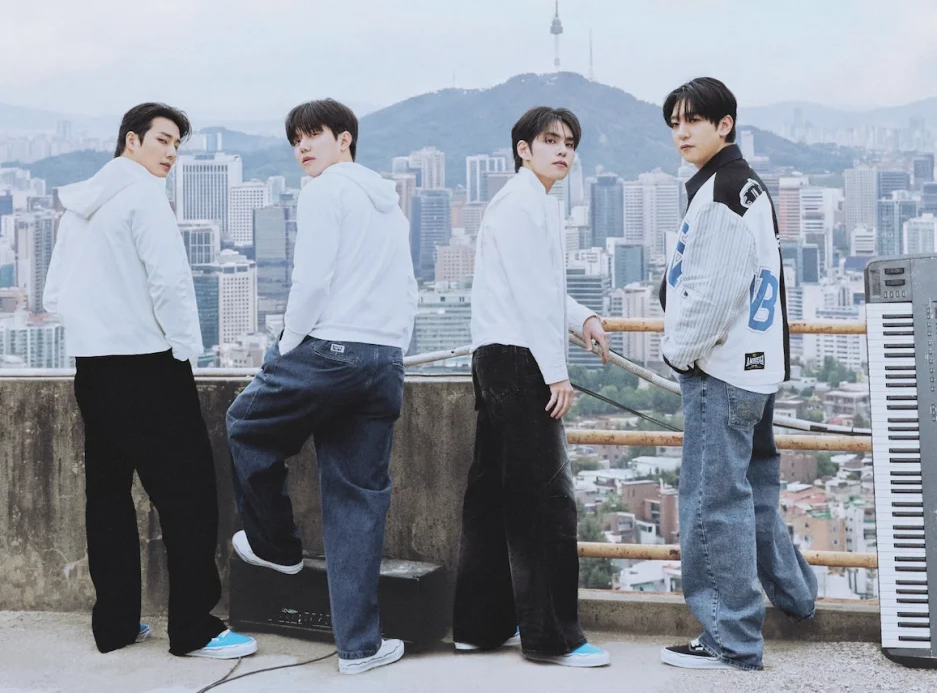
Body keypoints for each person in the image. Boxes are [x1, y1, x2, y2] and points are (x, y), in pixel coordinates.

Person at [43, 103, 256, 659]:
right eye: (162, 140)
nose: (170, 153)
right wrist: (185, 353)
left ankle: (115, 626)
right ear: (130, 141)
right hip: (149, 367)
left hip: (93, 368)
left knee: (107, 498)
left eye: (177, 146)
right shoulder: (144, 197)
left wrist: (99, 323)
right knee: (188, 497)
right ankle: (193, 628)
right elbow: (171, 286)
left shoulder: (78, 206)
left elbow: (53, 296)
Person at [226, 98, 417, 676]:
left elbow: (311, 279)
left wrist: (286, 346)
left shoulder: (323, 191)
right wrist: (389, 351)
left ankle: (276, 549)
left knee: (245, 425)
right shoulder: (391, 205)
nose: (303, 147)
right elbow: (407, 288)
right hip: (383, 358)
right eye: (296, 139)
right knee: (356, 501)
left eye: (314, 135)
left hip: (330, 350)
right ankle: (359, 649)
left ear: (345, 139)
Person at [658, 77, 817, 671]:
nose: (682, 132)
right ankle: (799, 599)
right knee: (752, 498)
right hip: (757, 367)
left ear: (725, 124)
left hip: (720, 372)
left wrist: (679, 351)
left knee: (711, 502)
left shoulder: (722, 190)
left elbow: (715, 291)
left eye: (694, 120)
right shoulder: (744, 185)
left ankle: (731, 640)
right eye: (675, 122)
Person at [452, 106, 611, 668]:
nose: (562, 150)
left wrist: (583, 318)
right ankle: (552, 639)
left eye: (569, 141)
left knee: (493, 495)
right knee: (546, 501)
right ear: (523, 148)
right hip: (519, 361)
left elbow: (543, 289)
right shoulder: (523, 205)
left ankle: (479, 626)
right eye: (550, 140)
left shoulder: (529, 202)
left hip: (497, 357)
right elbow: (529, 294)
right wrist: (556, 372)